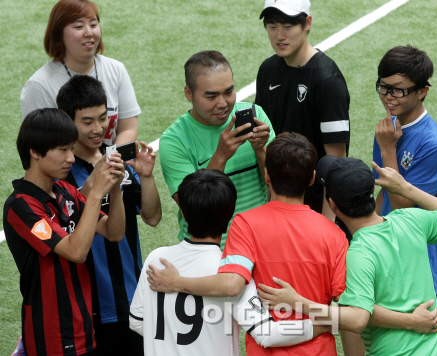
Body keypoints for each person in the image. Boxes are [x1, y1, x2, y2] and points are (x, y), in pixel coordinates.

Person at [147, 133, 437, 356]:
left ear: (266, 175)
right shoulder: (334, 235)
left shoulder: (244, 224)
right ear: (312, 179)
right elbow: (350, 314)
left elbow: (232, 285)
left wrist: (177, 282)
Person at [258, 157, 437, 355]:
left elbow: (357, 319)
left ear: (332, 205)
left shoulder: (358, 254)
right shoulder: (410, 220)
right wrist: (404, 187)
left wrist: (297, 302)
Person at [130, 169, 327, 355]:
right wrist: (326, 323)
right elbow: (268, 333)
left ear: (183, 212)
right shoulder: (232, 272)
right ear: (230, 214)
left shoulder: (156, 259)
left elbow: (137, 321)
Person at [3, 108, 125, 356]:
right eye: (63, 150)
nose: (70, 158)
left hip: (84, 327)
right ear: (35, 152)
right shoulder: (21, 205)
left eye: (71, 148)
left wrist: (114, 189)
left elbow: (114, 232)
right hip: (51, 336)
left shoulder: (65, 190)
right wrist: (96, 194)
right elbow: (76, 251)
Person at [55, 75, 162, 355]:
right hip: (88, 304)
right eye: (87, 121)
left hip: (132, 296)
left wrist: (146, 177)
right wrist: (89, 187)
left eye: (103, 118)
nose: (98, 128)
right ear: (68, 122)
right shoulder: (62, 173)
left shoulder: (117, 159)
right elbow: (63, 225)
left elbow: (152, 217)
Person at [371, 45, 437, 329]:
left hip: (423, 260)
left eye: (398, 90)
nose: (388, 97)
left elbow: (407, 210)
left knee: (426, 337)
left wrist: (388, 149)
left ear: (422, 90)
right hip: (390, 253)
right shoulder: (388, 128)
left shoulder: (433, 144)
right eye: (383, 87)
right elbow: (382, 192)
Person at [160, 50, 273, 248]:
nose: (222, 104)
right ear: (189, 94)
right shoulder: (174, 140)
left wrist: (261, 150)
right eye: (211, 96)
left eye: (229, 92)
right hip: (209, 252)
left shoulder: (256, 116)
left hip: (260, 243)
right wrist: (220, 156)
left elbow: (279, 187)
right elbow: (191, 210)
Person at [255, 0, 350, 224]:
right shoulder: (267, 70)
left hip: (314, 209)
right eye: (272, 26)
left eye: (288, 27)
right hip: (276, 204)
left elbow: (336, 161)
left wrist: (327, 225)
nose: (279, 36)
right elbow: (265, 139)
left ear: (307, 23)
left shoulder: (327, 80)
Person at [20, 0, 140, 146]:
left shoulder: (116, 69)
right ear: (59, 34)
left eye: (93, 24)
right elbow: (43, 148)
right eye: (79, 26)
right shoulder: (39, 86)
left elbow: (128, 127)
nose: (89, 33)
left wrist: (111, 161)